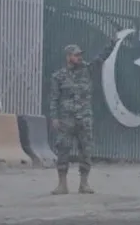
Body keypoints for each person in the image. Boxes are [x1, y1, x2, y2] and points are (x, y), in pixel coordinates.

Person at [48, 41, 113, 195]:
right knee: (63, 150)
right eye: (76, 55)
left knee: (86, 150)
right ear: (68, 57)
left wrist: (111, 45)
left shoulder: (87, 70)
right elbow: (54, 99)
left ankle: (84, 184)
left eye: (80, 55)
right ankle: (62, 185)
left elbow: (101, 58)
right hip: (66, 119)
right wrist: (54, 118)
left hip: (84, 118)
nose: (79, 57)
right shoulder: (58, 77)